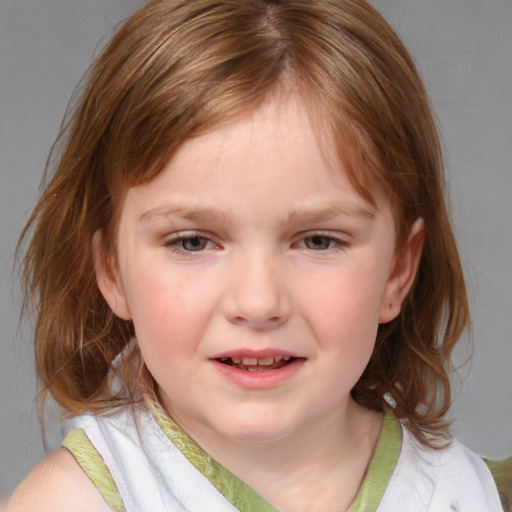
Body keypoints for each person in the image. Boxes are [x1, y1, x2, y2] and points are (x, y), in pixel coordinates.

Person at [6, 0, 511, 510]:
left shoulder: (469, 496)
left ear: (398, 271)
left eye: (318, 241)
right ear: (112, 270)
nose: (257, 301)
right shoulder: (70, 501)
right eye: (193, 242)